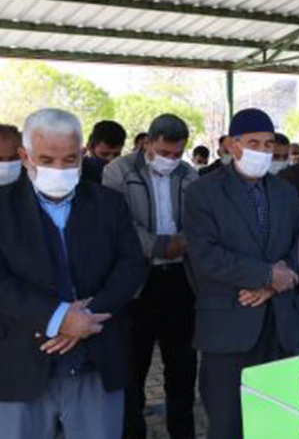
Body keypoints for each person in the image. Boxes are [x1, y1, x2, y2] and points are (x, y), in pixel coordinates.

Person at [0, 108, 146, 439]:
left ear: (82, 154)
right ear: (25, 157)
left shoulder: (109, 203)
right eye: (47, 160)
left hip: (98, 363)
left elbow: (132, 265)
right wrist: (57, 317)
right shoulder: (3, 208)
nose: (59, 169)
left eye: (69, 160)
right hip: (20, 367)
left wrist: (87, 317)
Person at [184, 108, 299, 439]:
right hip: (229, 326)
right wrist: (268, 274)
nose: (263, 151)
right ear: (231, 145)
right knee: (229, 424)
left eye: (268, 144)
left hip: (281, 325)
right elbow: (205, 256)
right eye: (253, 142)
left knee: (279, 421)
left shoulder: (285, 192)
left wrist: (275, 284)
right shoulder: (202, 192)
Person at [103, 115, 199, 439]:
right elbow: (119, 224)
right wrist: (160, 246)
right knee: (133, 373)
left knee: (182, 373)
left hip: (181, 283)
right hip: (136, 285)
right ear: (147, 143)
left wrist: (182, 243)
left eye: (177, 154)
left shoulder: (190, 175)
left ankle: (183, 433)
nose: (171, 160)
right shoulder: (119, 171)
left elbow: (199, 222)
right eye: (164, 152)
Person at [82, 120, 127, 184]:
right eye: (104, 154)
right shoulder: (78, 171)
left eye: (116, 154)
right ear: (90, 148)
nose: (110, 159)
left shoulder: (125, 172)